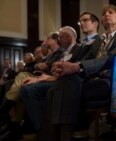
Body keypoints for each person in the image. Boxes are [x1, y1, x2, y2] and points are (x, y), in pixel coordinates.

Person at [20, 12, 102, 141]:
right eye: (81, 21)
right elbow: (68, 64)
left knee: (36, 89)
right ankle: (44, 129)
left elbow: (86, 64)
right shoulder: (81, 46)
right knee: (30, 88)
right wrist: (51, 72)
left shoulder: (99, 41)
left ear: (95, 23)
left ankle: (46, 130)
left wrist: (50, 75)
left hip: (81, 77)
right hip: (67, 76)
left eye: (85, 20)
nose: (82, 24)